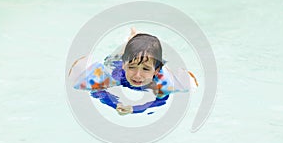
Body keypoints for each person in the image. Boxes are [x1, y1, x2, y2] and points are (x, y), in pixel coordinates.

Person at [69, 28, 198, 115]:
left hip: (145, 62)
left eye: (146, 69)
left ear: (156, 70)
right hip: (118, 60)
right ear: (125, 66)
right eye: (132, 68)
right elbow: (96, 91)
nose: (137, 75)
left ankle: (135, 40)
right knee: (123, 54)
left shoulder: (162, 81)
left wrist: (133, 109)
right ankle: (131, 40)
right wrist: (115, 104)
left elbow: (160, 101)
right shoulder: (116, 74)